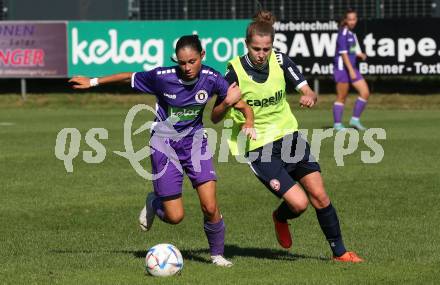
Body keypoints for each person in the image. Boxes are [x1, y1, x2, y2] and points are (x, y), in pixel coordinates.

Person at [69, 35, 256, 267]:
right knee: (175, 217)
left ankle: (217, 254)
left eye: (192, 61)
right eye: (182, 62)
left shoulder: (212, 78)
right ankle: (154, 202)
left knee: (210, 206)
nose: (187, 67)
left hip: (195, 143)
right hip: (164, 144)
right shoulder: (162, 77)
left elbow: (242, 105)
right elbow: (129, 76)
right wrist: (93, 82)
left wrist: (248, 121)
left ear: (202, 56)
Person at [212, 10, 363, 262]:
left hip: (289, 137)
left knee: (320, 195)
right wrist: (227, 102)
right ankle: (280, 217)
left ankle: (340, 253)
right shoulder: (233, 72)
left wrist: (308, 96)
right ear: (246, 45)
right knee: (299, 204)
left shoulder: (280, 60)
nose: (261, 54)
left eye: (266, 49)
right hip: (258, 146)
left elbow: (308, 91)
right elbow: (215, 117)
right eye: (256, 49)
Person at [333, 8, 370, 131]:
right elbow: (343, 54)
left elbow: (351, 51)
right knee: (342, 96)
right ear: (345, 20)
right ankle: (337, 124)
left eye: (354, 19)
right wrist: (351, 70)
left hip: (351, 68)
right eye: (350, 19)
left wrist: (359, 54)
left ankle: (354, 120)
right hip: (342, 68)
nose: (352, 21)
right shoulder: (343, 33)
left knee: (365, 92)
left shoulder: (350, 33)